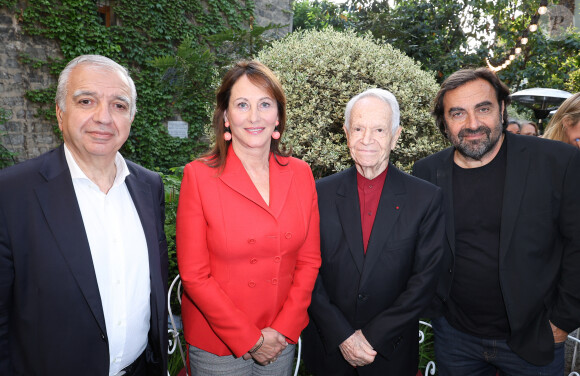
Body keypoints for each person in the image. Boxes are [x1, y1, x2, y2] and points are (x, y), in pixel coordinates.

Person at [0, 55, 168, 375]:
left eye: (119, 105)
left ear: (131, 117)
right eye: (86, 100)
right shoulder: (11, 194)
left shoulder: (149, 186)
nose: (103, 117)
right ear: (60, 114)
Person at [413, 68, 580, 376]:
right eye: (458, 113)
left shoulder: (558, 162)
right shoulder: (426, 173)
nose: (473, 124)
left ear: (502, 110)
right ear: (444, 121)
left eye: (484, 109)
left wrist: (561, 323)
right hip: (455, 338)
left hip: (534, 338)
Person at [176, 60, 321, 375]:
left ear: (278, 116)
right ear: (226, 116)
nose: (254, 117)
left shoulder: (301, 174)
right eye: (242, 104)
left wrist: (283, 329)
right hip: (218, 344)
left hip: (280, 339)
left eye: (264, 104)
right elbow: (194, 275)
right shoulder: (199, 177)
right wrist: (252, 339)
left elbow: (309, 262)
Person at [302, 88, 445, 375]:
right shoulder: (317, 193)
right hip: (328, 349)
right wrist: (342, 335)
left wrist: (372, 337)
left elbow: (424, 281)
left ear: (396, 135)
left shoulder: (425, 198)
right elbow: (307, 271)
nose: (367, 139)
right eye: (358, 128)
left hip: (390, 351)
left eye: (379, 129)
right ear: (346, 133)